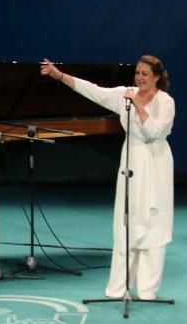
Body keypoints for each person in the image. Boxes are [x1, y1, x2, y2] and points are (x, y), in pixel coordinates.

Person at [41, 56, 174, 300]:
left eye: (145, 74)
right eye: (137, 73)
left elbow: (154, 132)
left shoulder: (166, 102)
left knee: (153, 220)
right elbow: (94, 91)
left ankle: (147, 291)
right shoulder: (125, 94)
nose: (139, 78)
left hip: (156, 163)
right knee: (127, 220)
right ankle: (119, 288)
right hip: (131, 159)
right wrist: (59, 75)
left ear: (156, 76)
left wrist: (139, 106)